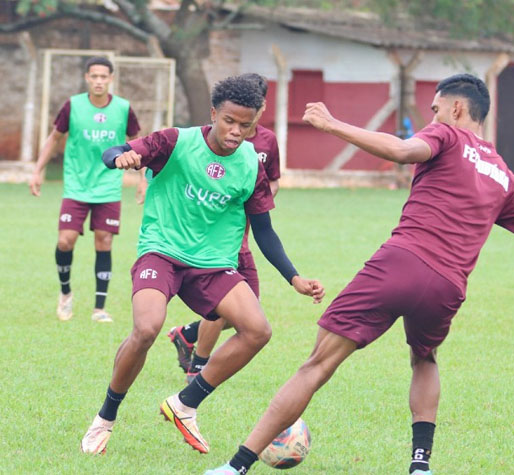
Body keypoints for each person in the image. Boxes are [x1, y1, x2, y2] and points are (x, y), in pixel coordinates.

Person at [205, 73, 514, 475]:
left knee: (317, 365)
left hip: (401, 263)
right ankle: (420, 467)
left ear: (455, 109)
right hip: (448, 288)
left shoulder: (447, 135)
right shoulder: (505, 176)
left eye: (434, 110)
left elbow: (402, 150)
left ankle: (235, 467)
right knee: (425, 358)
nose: (431, 117)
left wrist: (332, 124)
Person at [79, 76, 324, 455]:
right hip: (161, 252)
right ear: (213, 113)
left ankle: (184, 404)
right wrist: (120, 157)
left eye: (246, 125)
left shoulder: (249, 166)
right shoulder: (176, 141)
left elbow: (264, 231)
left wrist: (294, 277)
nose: (236, 131)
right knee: (146, 328)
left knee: (258, 330)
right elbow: (112, 152)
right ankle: (105, 418)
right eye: (229, 121)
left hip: (212, 265)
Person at [167, 73, 283, 383]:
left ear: (262, 107)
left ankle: (187, 334)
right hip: (219, 238)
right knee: (227, 306)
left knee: (248, 309)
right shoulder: (217, 136)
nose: (240, 126)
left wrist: (262, 200)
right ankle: (198, 366)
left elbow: (272, 178)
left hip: (246, 231)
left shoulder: (267, 141)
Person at [29, 56, 141, 323]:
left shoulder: (124, 109)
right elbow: (54, 138)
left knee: (104, 241)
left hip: (109, 187)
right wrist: (38, 170)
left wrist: (144, 180)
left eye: (104, 76)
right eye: (94, 76)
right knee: (65, 240)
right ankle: (66, 294)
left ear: (111, 79)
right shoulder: (73, 106)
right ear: (87, 78)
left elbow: (139, 143)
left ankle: (99, 308)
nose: (99, 81)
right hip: (77, 186)